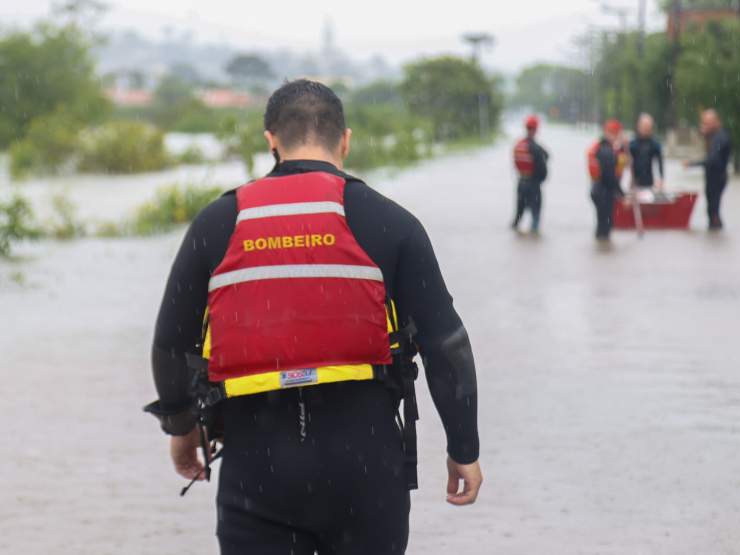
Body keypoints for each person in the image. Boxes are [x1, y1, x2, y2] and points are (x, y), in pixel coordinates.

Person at [144, 79, 482, 555]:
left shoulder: (218, 222)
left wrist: (180, 430)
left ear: (271, 140)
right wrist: (463, 448)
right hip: (365, 470)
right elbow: (447, 346)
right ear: (345, 140)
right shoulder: (391, 222)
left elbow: (170, 342)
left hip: (256, 472)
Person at [685, 109, 731, 229]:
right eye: (703, 123)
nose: (703, 126)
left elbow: (713, 160)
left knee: (713, 211)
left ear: (716, 122)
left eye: (706, 123)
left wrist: (692, 164)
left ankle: (716, 234)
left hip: (717, 178)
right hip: (713, 178)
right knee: (711, 210)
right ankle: (714, 236)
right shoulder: (714, 136)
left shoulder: (720, 138)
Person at [587, 119, 624, 241]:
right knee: (606, 224)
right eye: (618, 133)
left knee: (602, 222)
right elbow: (610, 177)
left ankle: (601, 249)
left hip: (597, 190)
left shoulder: (601, 147)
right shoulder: (607, 151)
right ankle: (604, 249)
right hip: (604, 192)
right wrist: (621, 195)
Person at [511, 115, 549, 233]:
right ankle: (534, 237)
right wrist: (541, 179)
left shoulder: (518, 144)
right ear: (536, 129)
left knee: (518, 215)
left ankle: (515, 231)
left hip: (521, 183)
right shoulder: (536, 148)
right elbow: (543, 166)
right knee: (535, 216)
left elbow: (516, 163)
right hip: (533, 185)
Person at [628, 113, 664, 191]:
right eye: (644, 126)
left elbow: (660, 163)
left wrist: (661, 180)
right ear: (639, 126)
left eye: (648, 126)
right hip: (635, 184)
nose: (646, 129)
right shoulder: (632, 144)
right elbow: (626, 162)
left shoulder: (655, 145)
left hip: (649, 183)